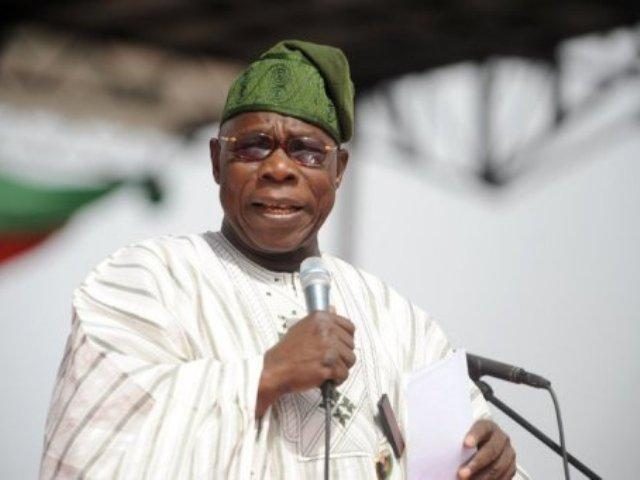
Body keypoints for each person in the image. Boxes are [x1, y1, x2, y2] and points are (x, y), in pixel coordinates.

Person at [41, 40, 527, 479]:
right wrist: (267, 375)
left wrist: (490, 462)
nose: (278, 168)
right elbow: (92, 454)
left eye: (307, 151)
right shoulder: (144, 283)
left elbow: (458, 454)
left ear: (339, 169)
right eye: (253, 147)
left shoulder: (400, 324)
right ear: (216, 162)